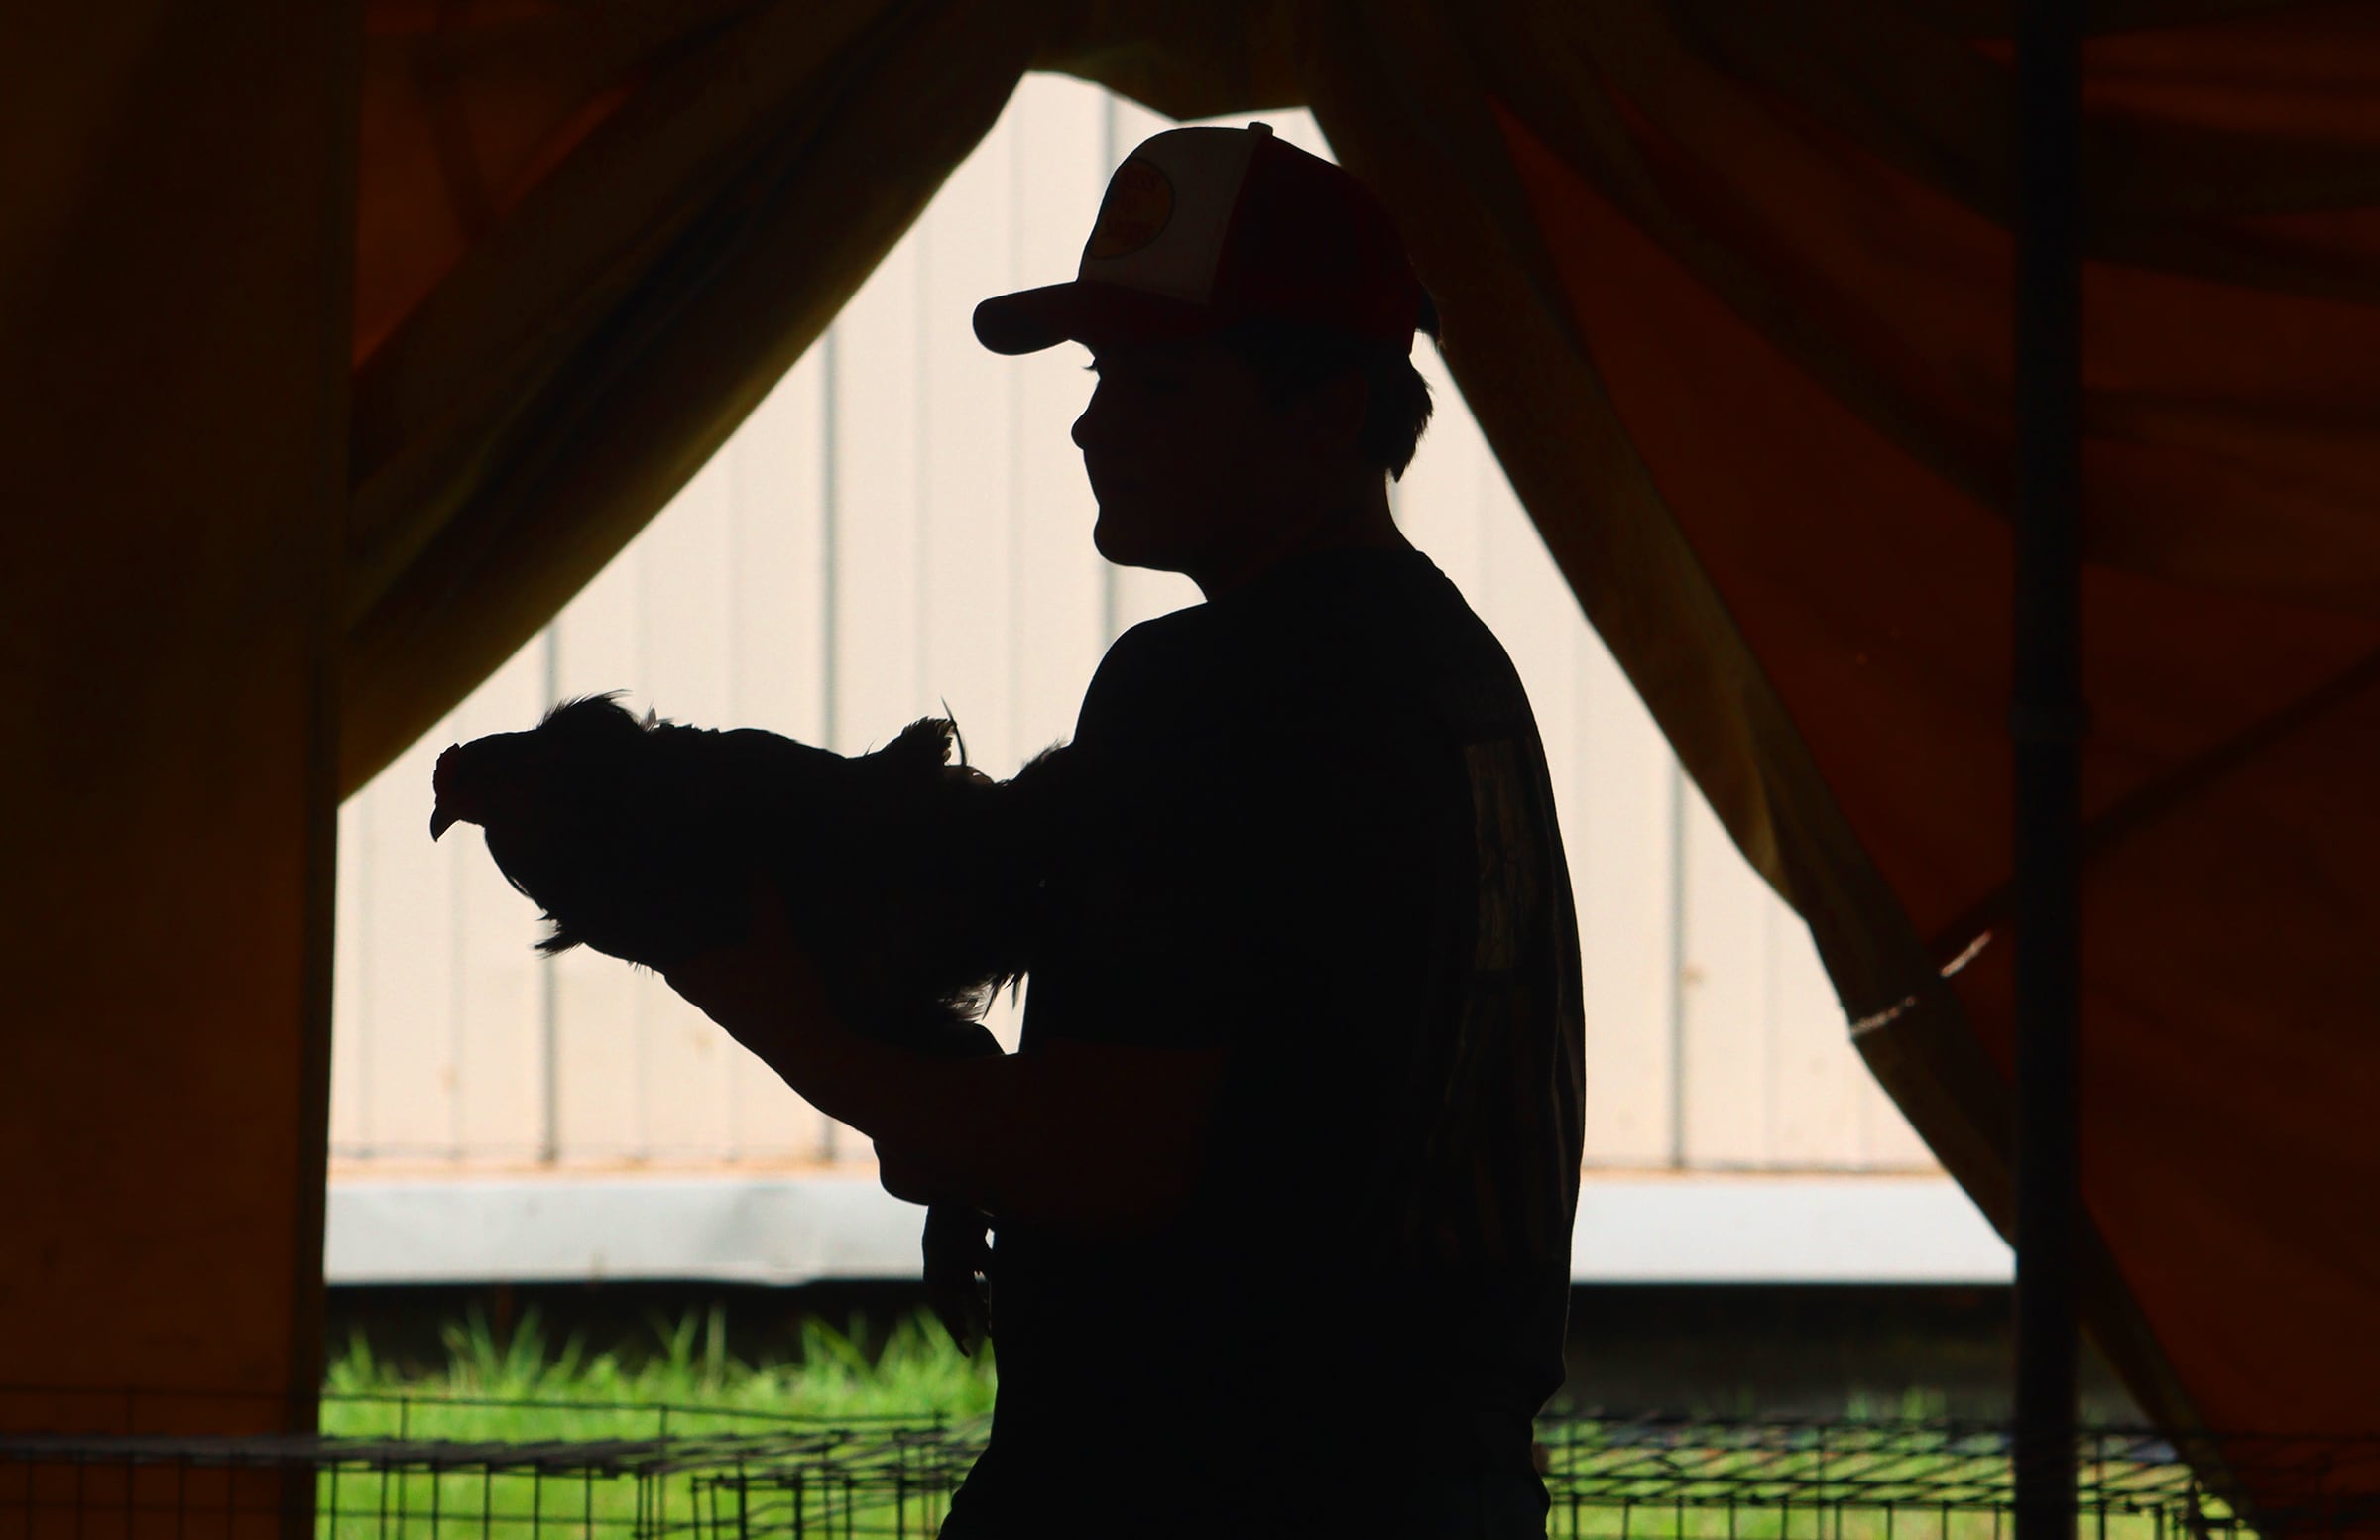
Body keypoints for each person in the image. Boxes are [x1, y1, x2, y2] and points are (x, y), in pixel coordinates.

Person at [667, 121, 1584, 1538]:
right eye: (1102, 378)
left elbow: (1110, 1157)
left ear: (1332, 412)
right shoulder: (1460, 675)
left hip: (1199, 1481)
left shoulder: (1213, 687)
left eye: (1157, 382)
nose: (1094, 424)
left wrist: (773, 1002)